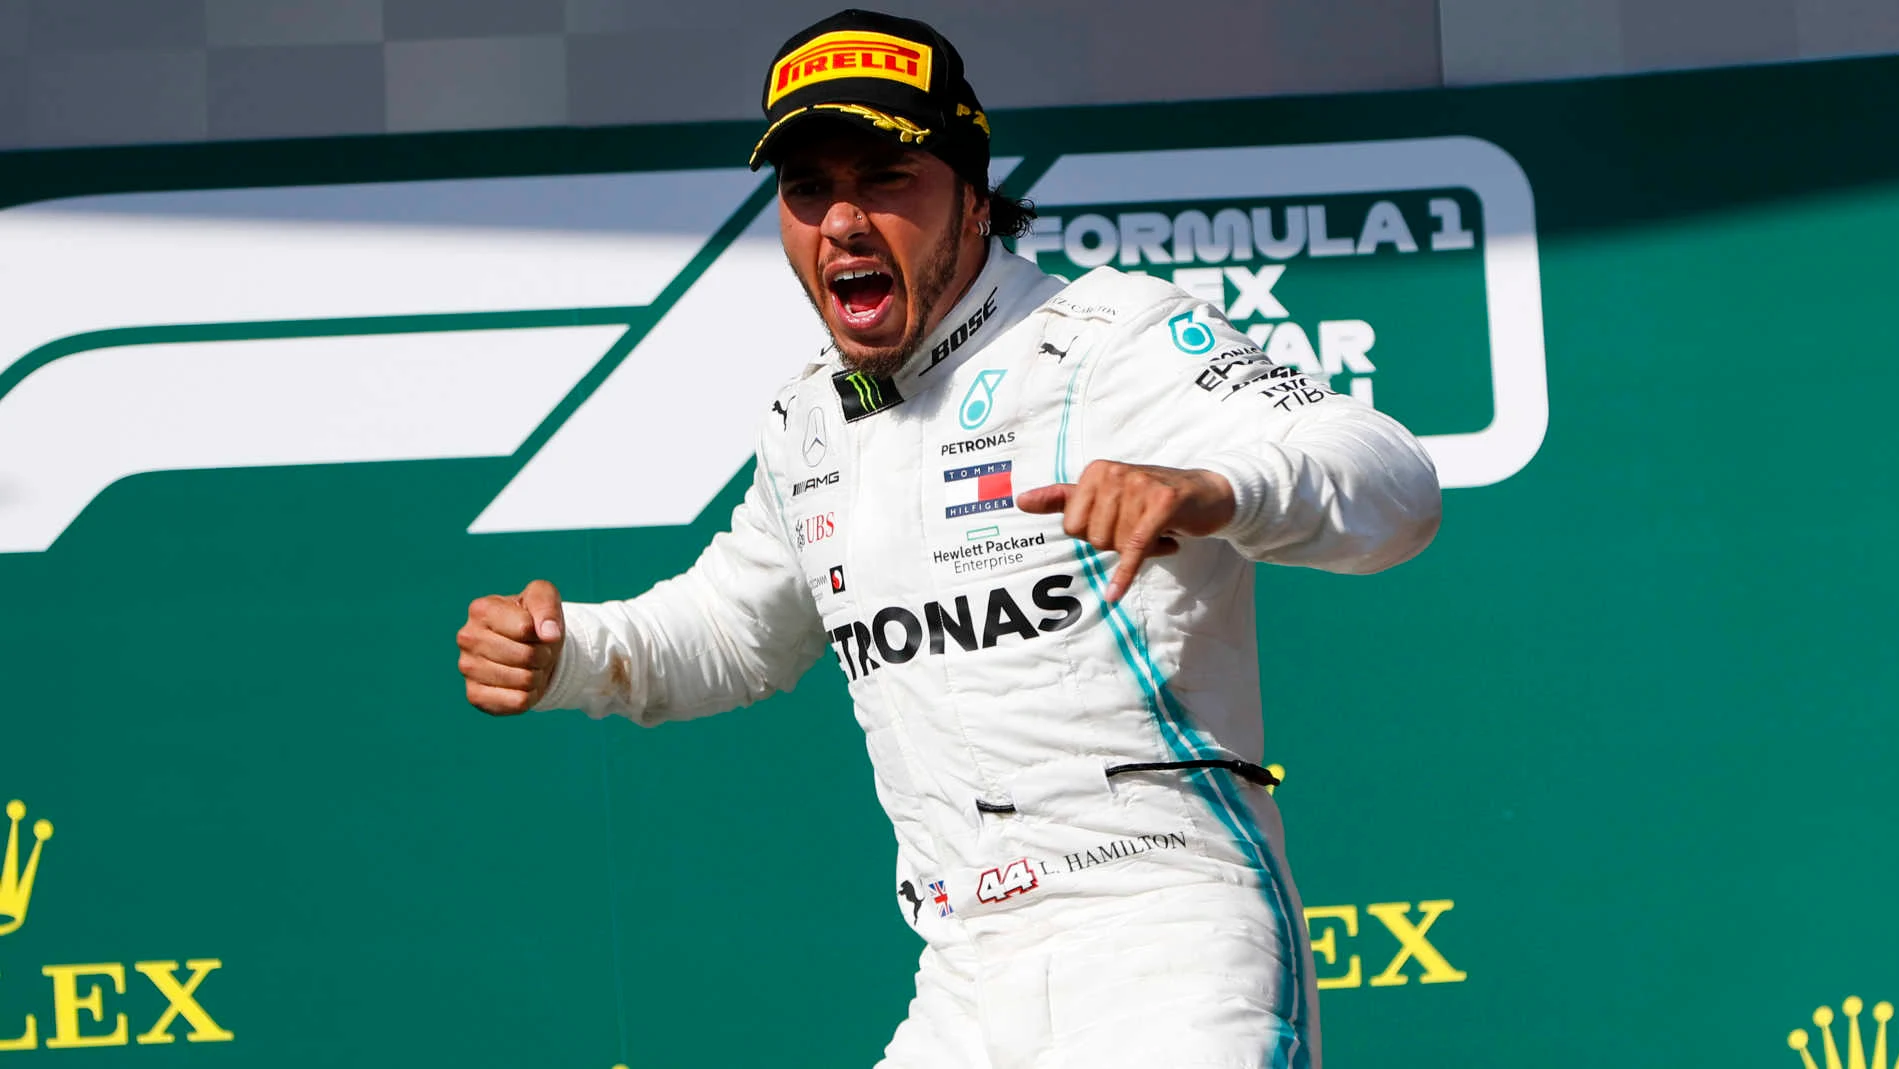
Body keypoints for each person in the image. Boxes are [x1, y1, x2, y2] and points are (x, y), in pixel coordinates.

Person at [455, 9, 1442, 1068]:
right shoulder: (809, 423)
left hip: (1166, 948)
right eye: (806, 189)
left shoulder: (1109, 341)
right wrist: (567, 655)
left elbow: (1393, 484)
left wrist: (1213, 486)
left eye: (886, 178)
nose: (840, 220)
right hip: (962, 973)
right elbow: (735, 629)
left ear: (974, 199)